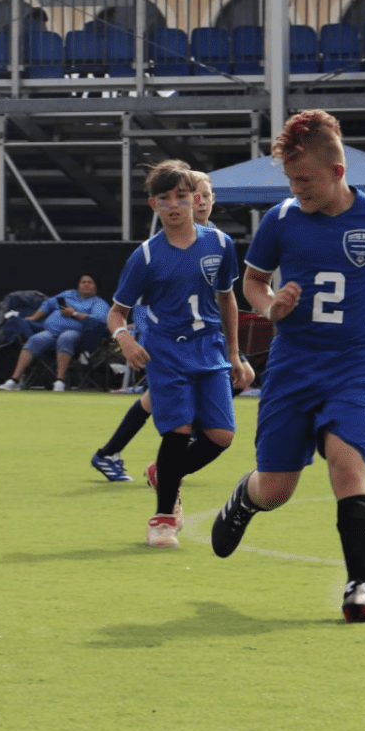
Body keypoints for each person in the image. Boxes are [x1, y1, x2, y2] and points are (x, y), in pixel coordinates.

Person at [207, 110, 365, 624]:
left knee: (347, 465)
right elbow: (253, 281)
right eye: (291, 180)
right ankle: (245, 499)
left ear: (338, 173)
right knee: (277, 490)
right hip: (293, 366)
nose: (296, 189)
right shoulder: (281, 220)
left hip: (355, 365)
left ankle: (361, 586)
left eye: (305, 180)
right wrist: (271, 306)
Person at [105, 160, 253, 549]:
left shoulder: (219, 244)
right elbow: (116, 312)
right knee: (178, 430)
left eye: (181, 197)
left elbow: (227, 299)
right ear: (153, 204)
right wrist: (126, 340)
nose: (174, 205)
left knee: (221, 436)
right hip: (166, 352)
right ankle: (162, 520)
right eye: (165, 198)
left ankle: (163, 473)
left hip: (209, 349)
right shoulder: (146, 256)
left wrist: (235, 354)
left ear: (195, 200)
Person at [90, 168, 215, 480]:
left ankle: (110, 453)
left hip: (199, 335)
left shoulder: (213, 240)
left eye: (206, 196)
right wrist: (129, 336)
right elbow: (131, 304)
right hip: (166, 331)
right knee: (164, 397)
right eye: (196, 195)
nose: (201, 202)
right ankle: (167, 458)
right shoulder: (162, 246)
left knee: (153, 398)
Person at [0, 274, 110, 391]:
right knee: (35, 339)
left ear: (96, 286)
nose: (86, 284)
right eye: (83, 282)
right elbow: (48, 303)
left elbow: (98, 321)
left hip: (79, 336)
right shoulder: (68, 294)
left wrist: (74, 314)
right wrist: (34, 317)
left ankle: (60, 381)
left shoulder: (99, 303)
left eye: (90, 282)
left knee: (65, 337)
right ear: (78, 285)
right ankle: (14, 380)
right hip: (52, 332)